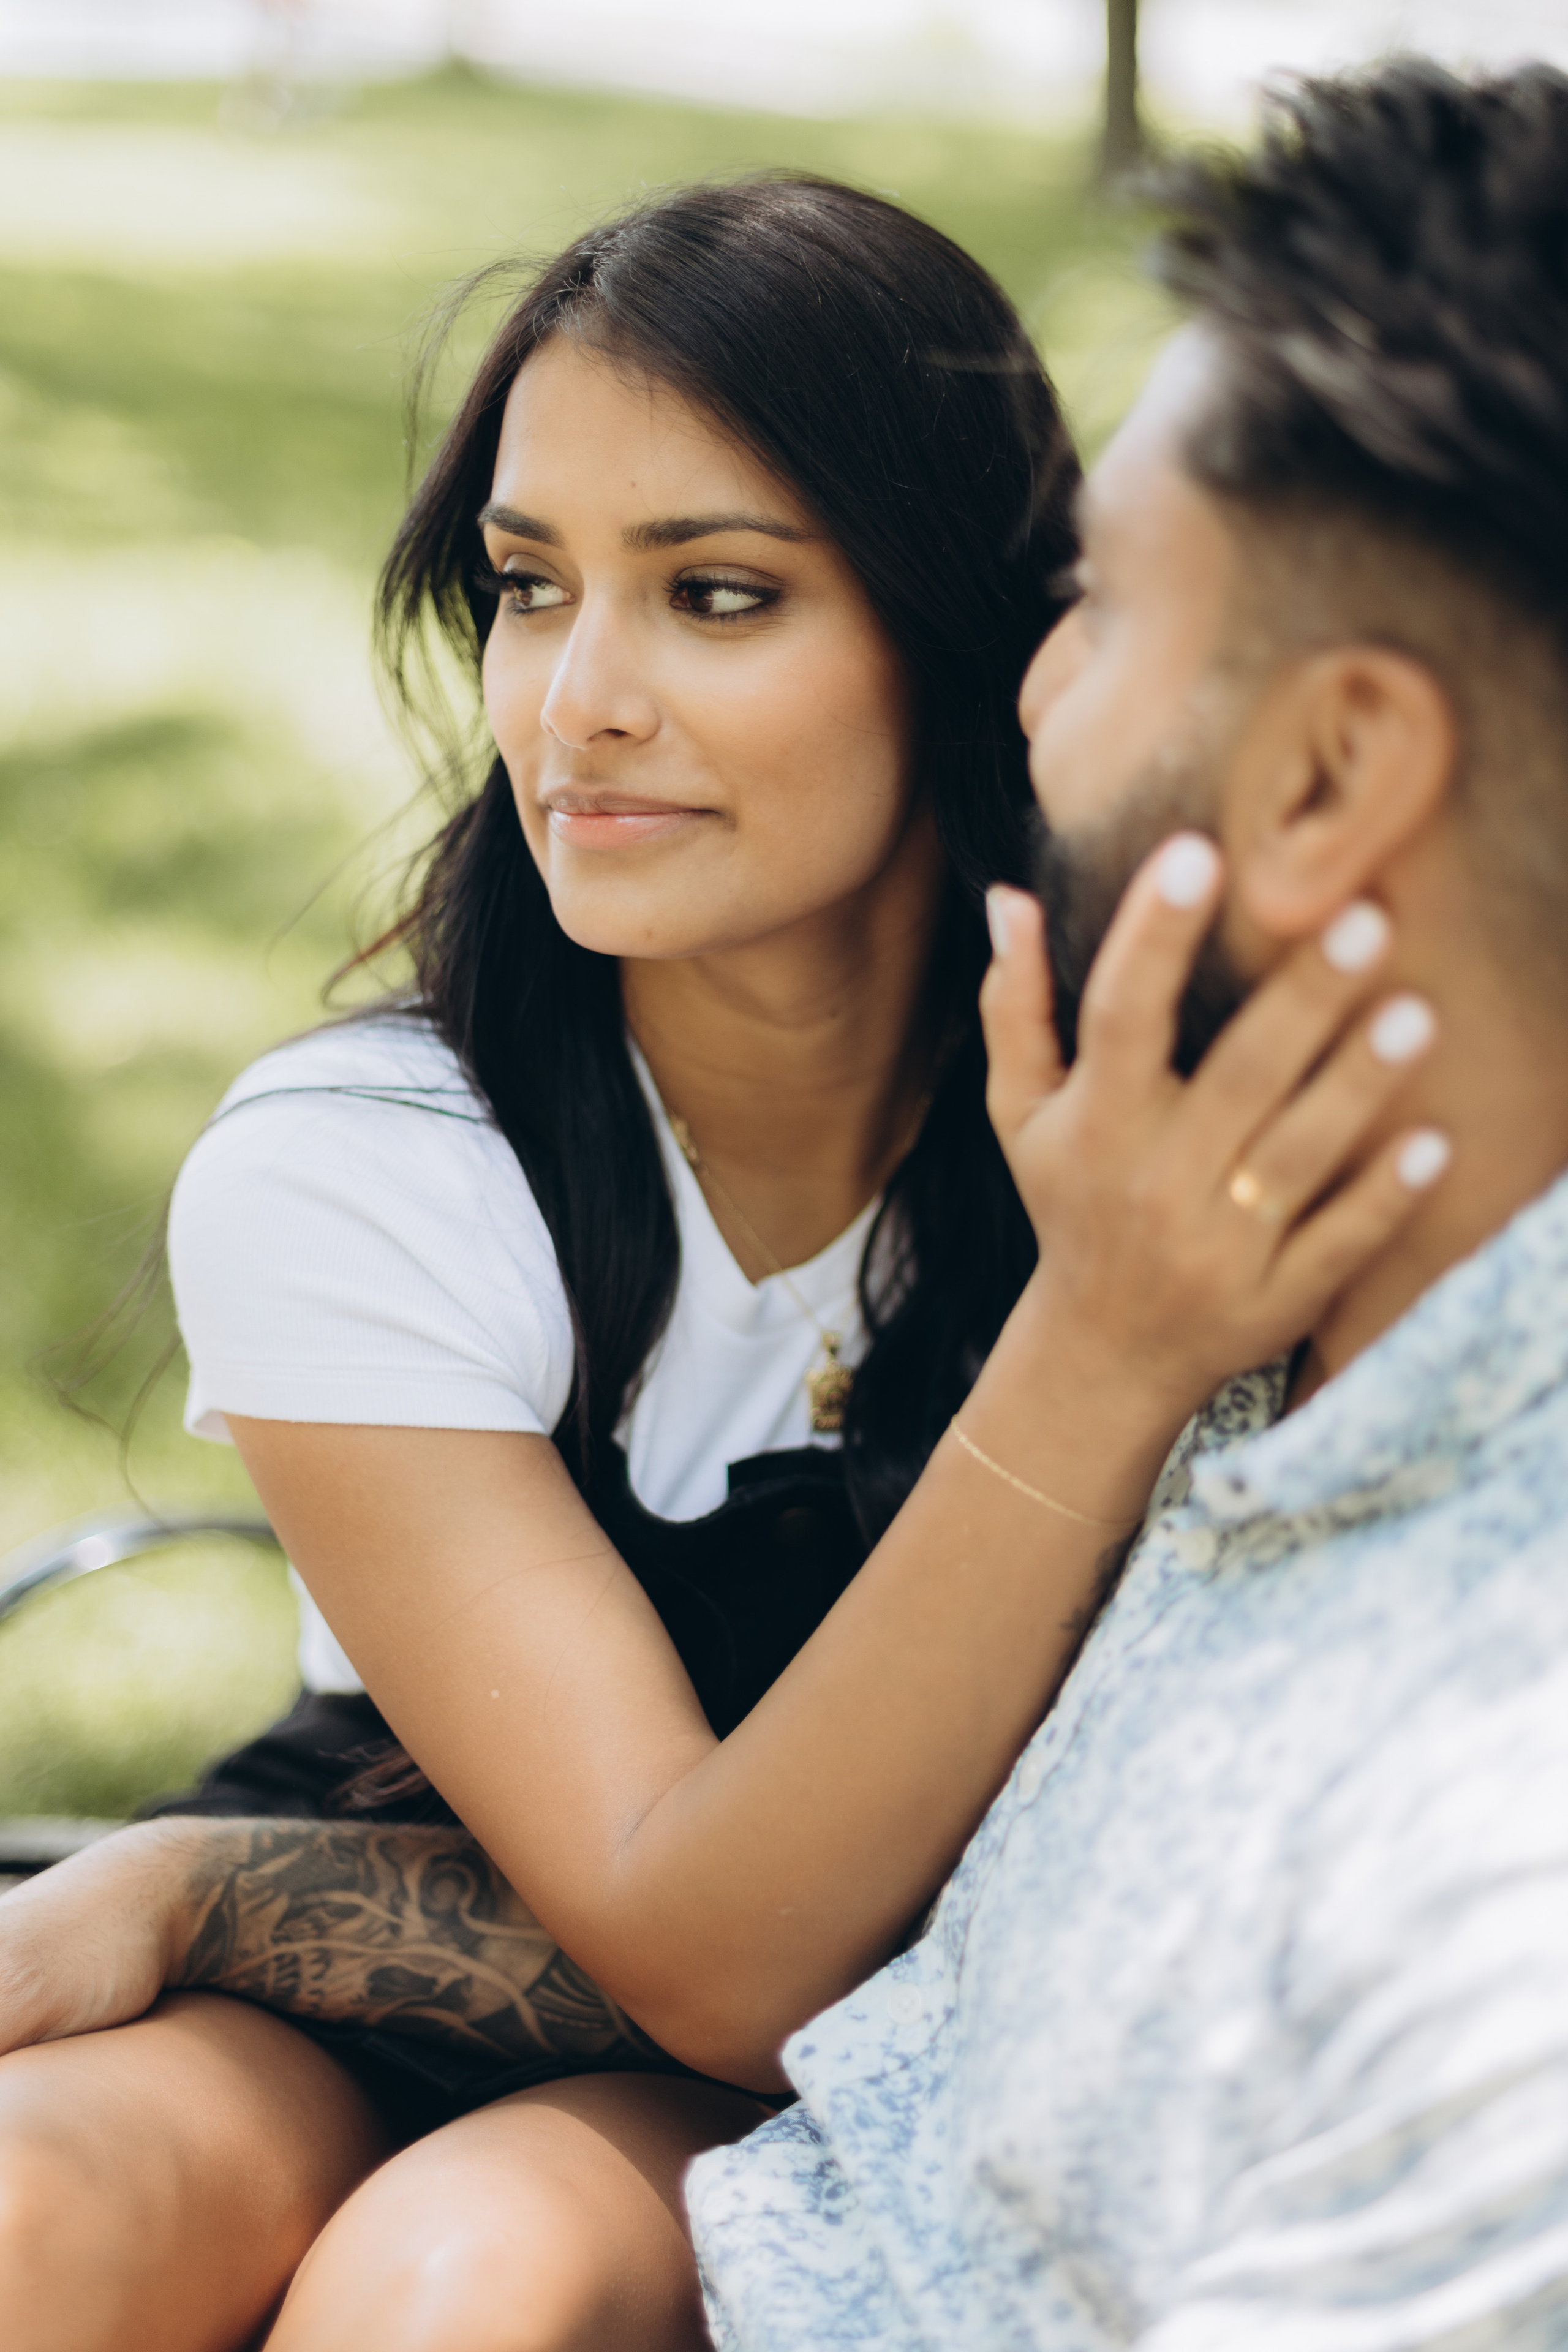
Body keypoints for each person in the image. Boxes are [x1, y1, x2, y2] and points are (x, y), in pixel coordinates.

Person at [0, 173, 1442, 2352]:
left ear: (969, 635)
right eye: (526, 586)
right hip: (453, 1900)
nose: (579, 701)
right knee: (35, 2211)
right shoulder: (371, 1160)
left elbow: (757, 1994)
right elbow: (685, 1915)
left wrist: (214, 1899)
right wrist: (236, 1889)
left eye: (719, 595)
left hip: (891, 2035)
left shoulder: (1172, 1102)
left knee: (462, 2286)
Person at [692, 59, 1568, 2350]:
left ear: (1326, 779)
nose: (1019, 691)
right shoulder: (1287, 1323)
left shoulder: (1498, 1894)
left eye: (1090, 605)